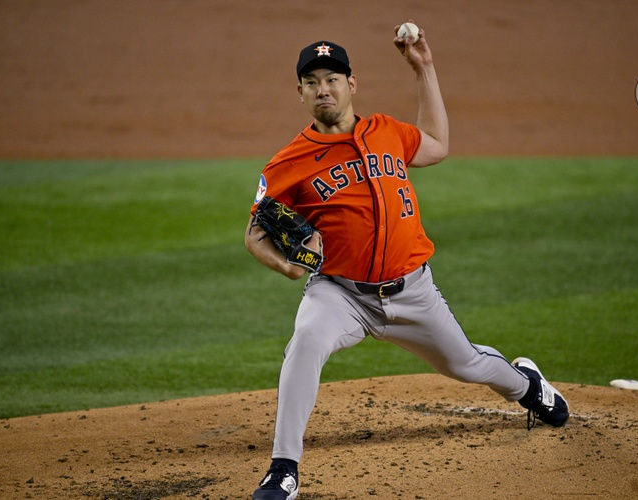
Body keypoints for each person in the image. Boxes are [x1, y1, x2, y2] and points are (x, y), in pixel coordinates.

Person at [244, 24, 569, 500]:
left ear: (351, 85)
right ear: (300, 93)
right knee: (306, 341)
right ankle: (283, 469)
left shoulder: (387, 132)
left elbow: (436, 143)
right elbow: (255, 231)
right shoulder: (287, 163)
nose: (323, 89)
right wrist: (287, 266)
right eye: (312, 81)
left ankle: (526, 385)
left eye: (332, 78)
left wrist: (424, 69)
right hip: (340, 293)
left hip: (413, 290)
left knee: (467, 364)